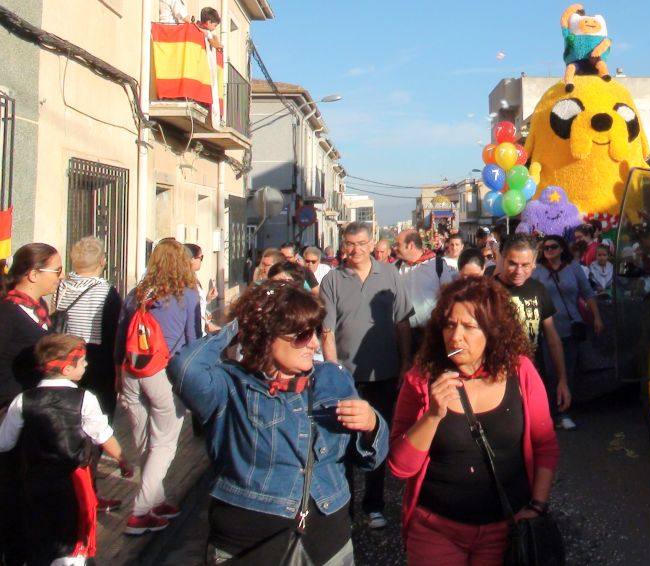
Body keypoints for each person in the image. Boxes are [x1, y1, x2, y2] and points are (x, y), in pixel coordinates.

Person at [170, 282, 388, 564]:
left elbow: (371, 458)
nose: (313, 343)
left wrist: (371, 424)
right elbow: (184, 368)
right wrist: (240, 325)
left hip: (327, 540)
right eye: (301, 335)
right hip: (250, 545)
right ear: (265, 335)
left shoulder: (332, 378)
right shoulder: (230, 386)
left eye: (315, 331)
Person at [389, 277, 559, 565]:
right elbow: (400, 467)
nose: (456, 337)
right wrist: (432, 416)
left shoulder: (521, 371)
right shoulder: (421, 378)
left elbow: (545, 445)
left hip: (506, 527)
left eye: (469, 327)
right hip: (436, 527)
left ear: (494, 331)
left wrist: (538, 505)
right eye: (449, 325)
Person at [0, 334, 134, 564]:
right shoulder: (85, 399)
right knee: (71, 544)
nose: (87, 365)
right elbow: (103, 435)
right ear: (66, 368)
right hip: (72, 485)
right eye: (82, 361)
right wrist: (123, 459)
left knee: (41, 542)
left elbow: (5, 443)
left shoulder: (22, 401)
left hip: (34, 485)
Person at [319, 222, 412, 529]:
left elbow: (402, 324)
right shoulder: (332, 279)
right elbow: (328, 331)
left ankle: (374, 505)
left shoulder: (389, 275)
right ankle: (343, 507)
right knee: (342, 443)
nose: (354, 250)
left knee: (377, 440)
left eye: (360, 243)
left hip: (384, 373)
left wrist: (405, 363)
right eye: (349, 244)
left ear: (372, 244)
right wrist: (333, 374)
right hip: (346, 377)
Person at [114, 237, 203, 534]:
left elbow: (119, 335)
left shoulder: (135, 293)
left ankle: (155, 498)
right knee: (164, 442)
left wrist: (118, 371)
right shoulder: (187, 295)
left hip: (130, 371)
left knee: (143, 439)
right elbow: (194, 340)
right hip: (162, 372)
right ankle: (139, 512)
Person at [55, 237, 123, 511]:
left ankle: (76, 489)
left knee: (71, 428)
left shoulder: (62, 287)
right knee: (95, 429)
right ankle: (88, 493)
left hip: (67, 361)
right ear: (102, 262)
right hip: (96, 365)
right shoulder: (106, 291)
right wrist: (118, 371)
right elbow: (112, 335)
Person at [0, 243, 58, 564]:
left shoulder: (40, 309)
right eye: (56, 271)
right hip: (10, 411)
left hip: (35, 412)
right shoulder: (7, 312)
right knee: (13, 494)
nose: (60, 278)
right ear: (33, 274)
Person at [492, 235, 571, 417]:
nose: (519, 271)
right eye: (512, 263)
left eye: (525, 265)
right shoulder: (488, 290)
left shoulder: (538, 289)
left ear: (534, 264)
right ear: (502, 260)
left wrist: (562, 380)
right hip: (496, 379)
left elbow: (552, 339)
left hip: (532, 377)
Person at [537, 236, 602, 430]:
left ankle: (565, 411)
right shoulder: (537, 270)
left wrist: (597, 317)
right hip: (547, 330)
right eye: (545, 247)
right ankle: (552, 412)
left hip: (571, 326)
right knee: (551, 372)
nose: (549, 250)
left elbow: (587, 293)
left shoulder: (573, 268)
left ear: (561, 249)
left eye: (553, 246)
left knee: (569, 370)